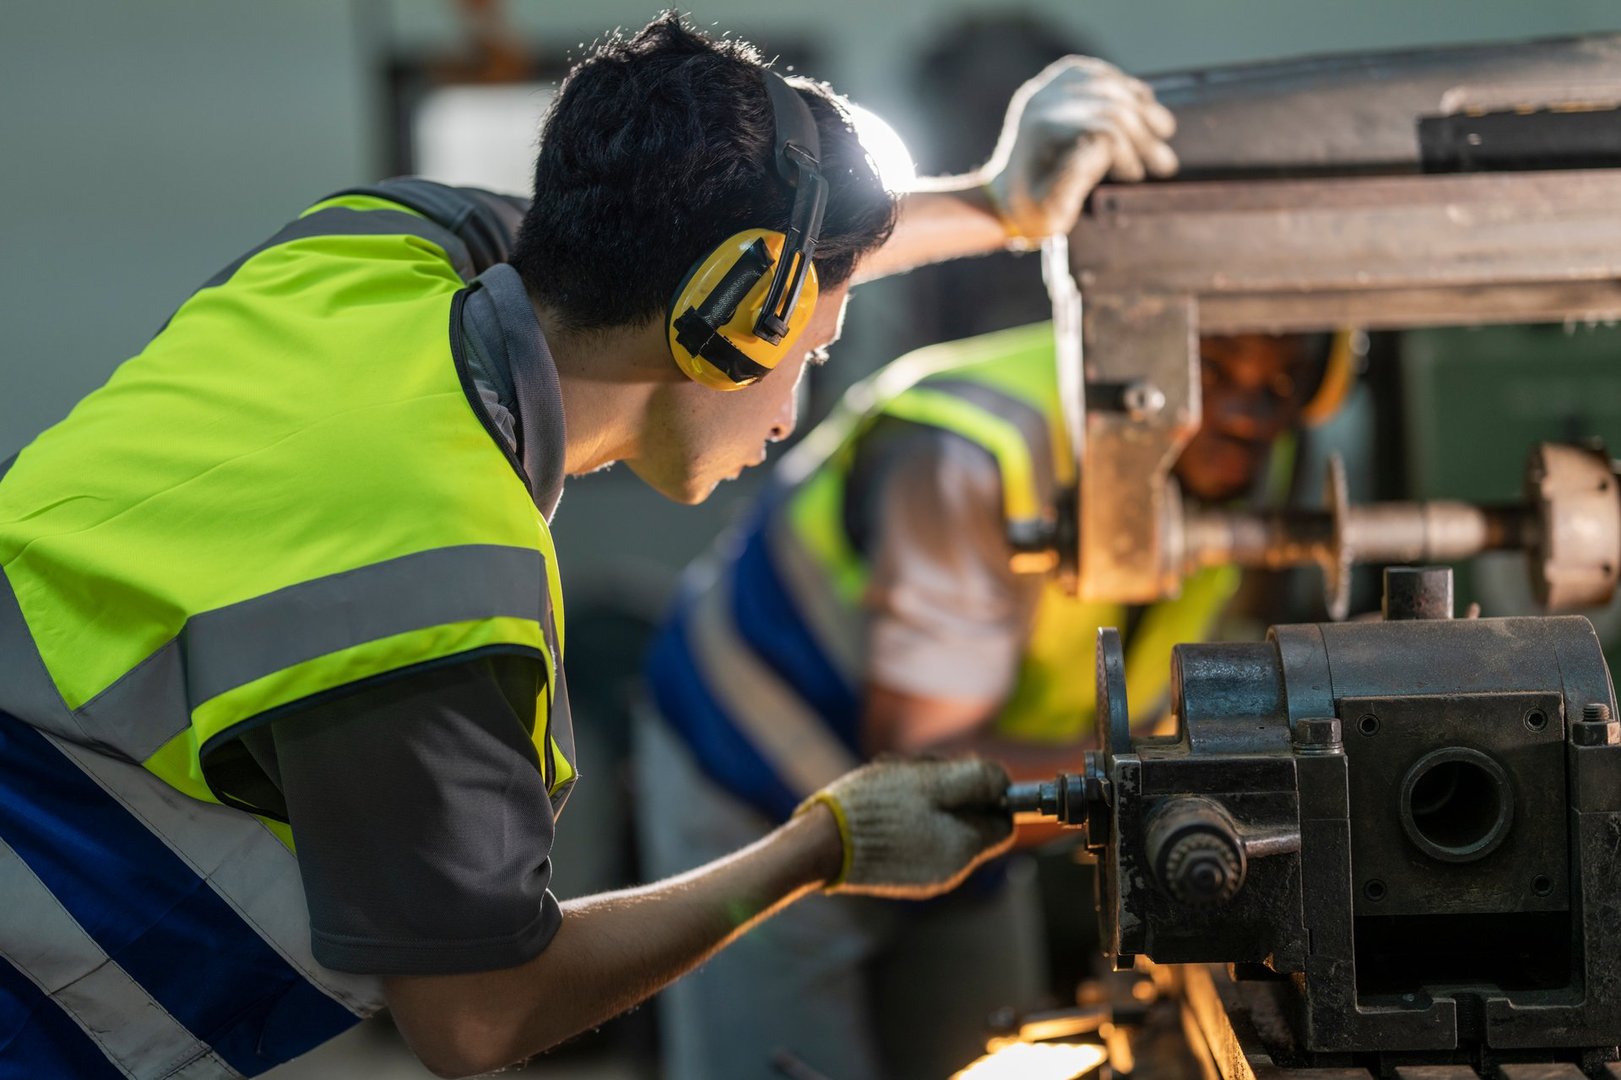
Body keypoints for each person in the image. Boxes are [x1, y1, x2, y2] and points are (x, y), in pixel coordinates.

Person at [0, 13, 1181, 1079]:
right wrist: (819, 848)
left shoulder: (378, 241)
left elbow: (669, 249)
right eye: (810, 356)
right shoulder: (438, 598)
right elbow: (480, 1020)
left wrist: (996, 204)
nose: (790, 414)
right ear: (730, 327)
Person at [639, 321, 1354, 1079]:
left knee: (976, 1050)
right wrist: (1186, 771)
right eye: (1211, 371)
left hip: (990, 792)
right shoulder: (973, 454)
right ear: (1144, 352)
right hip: (763, 767)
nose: (1247, 414)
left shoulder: (1248, 456)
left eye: (1280, 384)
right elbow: (925, 768)